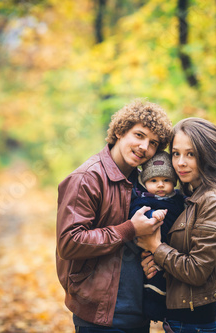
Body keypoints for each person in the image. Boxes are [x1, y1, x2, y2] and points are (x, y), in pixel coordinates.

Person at [56, 99, 173, 332]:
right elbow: (69, 243)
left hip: (139, 311)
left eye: (153, 143)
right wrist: (129, 229)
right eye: (138, 135)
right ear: (120, 131)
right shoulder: (87, 178)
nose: (144, 147)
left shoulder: (143, 182)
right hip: (100, 315)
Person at [136, 118, 216, 333]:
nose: (180, 163)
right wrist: (153, 261)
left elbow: (196, 271)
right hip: (182, 319)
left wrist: (155, 248)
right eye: (176, 153)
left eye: (190, 154)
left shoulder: (213, 201)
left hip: (195, 323)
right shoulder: (191, 196)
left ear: (209, 154)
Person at [128, 151, 185, 322]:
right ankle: (153, 313)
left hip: (174, 249)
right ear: (145, 182)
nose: (160, 185)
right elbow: (135, 217)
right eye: (154, 181)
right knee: (154, 281)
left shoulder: (178, 199)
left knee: (171, 285)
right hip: (152, 250)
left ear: (173, 182)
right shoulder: (144, 200)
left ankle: (167, 313)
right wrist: (152, 214)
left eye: (166, 180)